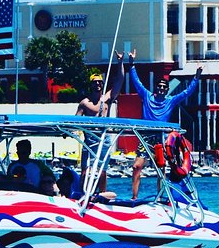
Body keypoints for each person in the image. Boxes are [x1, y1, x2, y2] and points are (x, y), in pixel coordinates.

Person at [127, 49, 203, 199]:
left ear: (167, 90)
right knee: (137, 167)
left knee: (161, 169)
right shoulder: (147, 96)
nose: (161, 89)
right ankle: (134, 197)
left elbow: (187, 92)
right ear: (156, 87)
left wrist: (197, 77)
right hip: (146, 137)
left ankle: (160, 197)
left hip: (161, 139)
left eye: (164, 87)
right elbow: (136, 82)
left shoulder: (170, 101)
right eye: (159, 86)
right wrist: (131, 64)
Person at [76, 50, 125, 193]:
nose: (97, 84)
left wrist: (120, 63)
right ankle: (81, 194)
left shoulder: (107, 99)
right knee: (85, 170)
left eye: (99, 82)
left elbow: (119, 81)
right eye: (95, 82)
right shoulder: (85, 103)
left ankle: (102, 195)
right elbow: (76, 120)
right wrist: (69, 131)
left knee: (102, 170)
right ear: (91, 85)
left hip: (104, 140)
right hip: (89, 140)